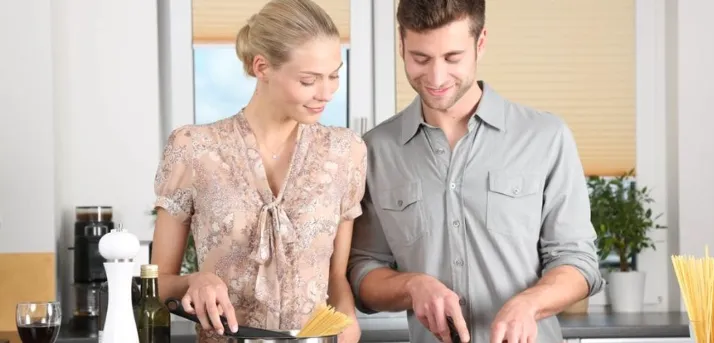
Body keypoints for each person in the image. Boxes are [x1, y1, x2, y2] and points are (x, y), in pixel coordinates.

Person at [347, 0, 605, 342]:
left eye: (452, 58)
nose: (436, 78)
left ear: (480, 43)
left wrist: (531, 303)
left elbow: (578, 262)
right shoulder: (377, 149)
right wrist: (412, 286)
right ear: (401, 44)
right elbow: (362, 270)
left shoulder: (545, 137)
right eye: (420, 58)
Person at [150, 0, 366, 342]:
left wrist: (347, 320)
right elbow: (156, 282)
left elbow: (336, 276)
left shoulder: (345, 152)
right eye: (309, 80)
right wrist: (194, 280)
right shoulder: (193, 148)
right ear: (262, 67)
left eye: (334, 75)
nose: (326, 93)